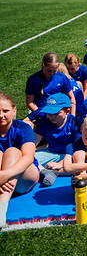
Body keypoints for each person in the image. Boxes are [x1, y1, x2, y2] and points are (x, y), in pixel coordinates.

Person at [0, 93, 40, 227]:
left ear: (14, 111)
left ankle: (1, 207)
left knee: (12, 151)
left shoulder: (22, 128)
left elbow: (28, 157)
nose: (1, 115)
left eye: (5, 111)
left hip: (25, 177)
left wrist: (5, 175)